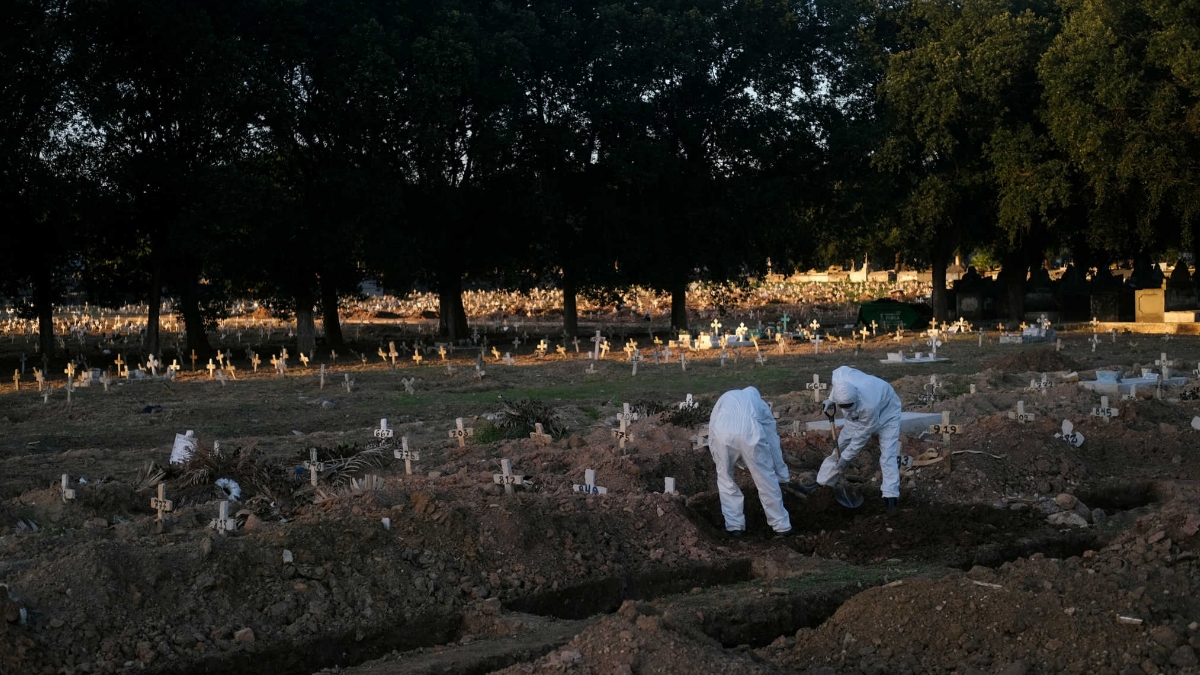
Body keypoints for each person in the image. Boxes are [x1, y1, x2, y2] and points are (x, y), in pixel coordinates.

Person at [708, 386, 793, 536]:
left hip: (723, 432)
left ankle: (734, 527)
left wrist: (718, 458)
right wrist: (782, 475)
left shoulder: (727, 395)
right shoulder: (760, 404)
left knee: (725, 479)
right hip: (750, 433)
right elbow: (773, 442)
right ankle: (782, 527)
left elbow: (712, 425)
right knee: (766, 479)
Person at [819, 366, 903, 509]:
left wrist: (846, 458)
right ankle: (823, 484)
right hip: (858, 416)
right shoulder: (842, 376)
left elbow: (861, 437)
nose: (846, 407)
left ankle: (890, 496)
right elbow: (839, 380)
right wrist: (831, 399)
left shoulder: (869, 405)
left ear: (856, 397)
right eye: (843, 406)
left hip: (888, 414)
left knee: (888, 454)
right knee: (840, 445)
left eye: (849, 405)